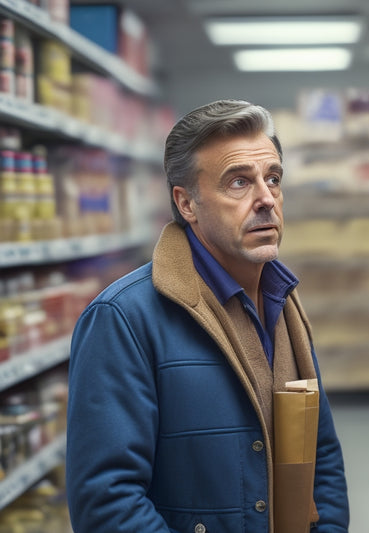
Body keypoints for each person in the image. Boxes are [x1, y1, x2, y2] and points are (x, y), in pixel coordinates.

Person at [66, 99, 350, 533]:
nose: (266, 199)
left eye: (273, 179)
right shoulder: (123, 319)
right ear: (187, 204)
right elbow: (107, 502)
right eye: (239, 182)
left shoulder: (283, 303)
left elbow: (322, 456)